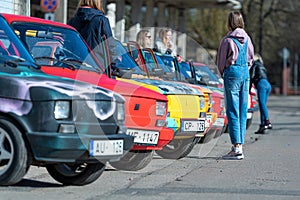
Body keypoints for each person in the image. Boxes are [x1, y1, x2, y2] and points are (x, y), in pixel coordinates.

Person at [217, 11, 254, 160]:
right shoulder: (247, 38)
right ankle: (241, 146)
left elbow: (220, 62)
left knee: (232, 110)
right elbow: (251, 58)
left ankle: (236, 147)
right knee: (242, 109)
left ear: (229, 22)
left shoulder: (227, 40)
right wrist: (245, 69)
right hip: (245, 73)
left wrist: (223, 73)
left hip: (232, 72)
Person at [250, 54, 272, 134]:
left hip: (261, 84)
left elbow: (251, 76)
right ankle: (263, 125)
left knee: (262, 104)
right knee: (263, 105)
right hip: (267, 84)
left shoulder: (255, 65)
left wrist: (249, 87)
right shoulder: (262, 66)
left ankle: (267, 121)